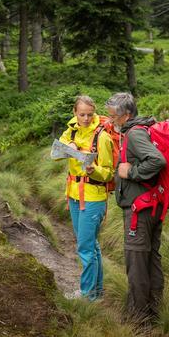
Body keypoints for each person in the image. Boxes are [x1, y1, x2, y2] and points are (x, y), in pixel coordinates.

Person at [106, 91, 166, 327]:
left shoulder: (135, 134)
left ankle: (137, 319)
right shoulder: (140, 130)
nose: (110, 120)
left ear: (127, 115)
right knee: (151, 259)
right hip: (151, 205)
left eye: (113, 116)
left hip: (140, 212)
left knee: (137, 263)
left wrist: (130, 173)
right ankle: (155, 311)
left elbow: (157, 160)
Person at [59, 94, 114, 300]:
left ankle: (88, 295)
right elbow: (58, 148)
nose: (86, 118)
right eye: (82, 114)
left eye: (90, 115)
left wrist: (94, 171)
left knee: (85, 247)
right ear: (75, 113)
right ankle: (96, 292)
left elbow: (109, 172)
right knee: (91, 245)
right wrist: (69, 147)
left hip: (93, 198)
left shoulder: (103, 137)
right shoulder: (71, 130)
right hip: (73, 194)